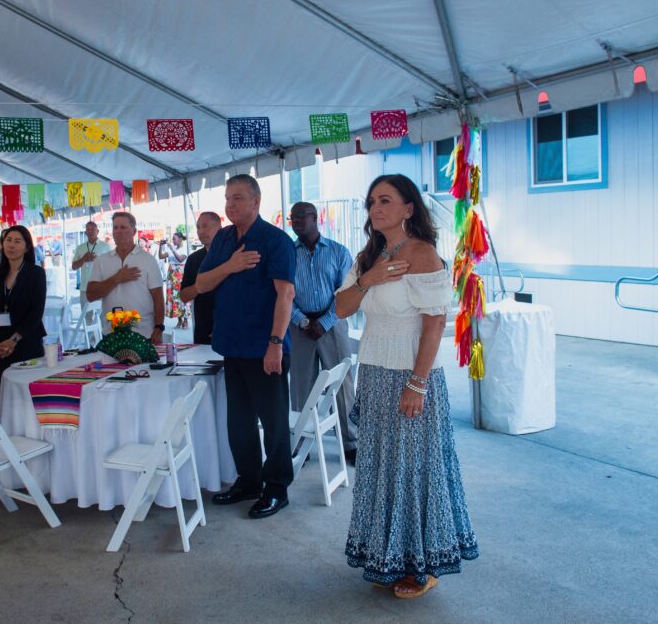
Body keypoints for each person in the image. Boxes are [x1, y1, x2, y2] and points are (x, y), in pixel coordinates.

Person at [334, 174, 478, 599]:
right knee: (381, 470)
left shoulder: (423, 254)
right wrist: (369, 279)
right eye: (371, 202)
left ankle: (422, 564)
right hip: (375, 375)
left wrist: (417, 384)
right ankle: (387, 556)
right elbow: (341, 308)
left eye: (385, 200)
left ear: (408, 208)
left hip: (411, 377)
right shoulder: (369, 257)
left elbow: (435, 325)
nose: (375, 209)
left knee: (414, 471)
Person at [192, 175, 296, 519]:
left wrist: (276, 344)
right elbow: (202, 284)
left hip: (265, 346)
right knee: (239, 422)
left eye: (238, 198)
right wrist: (231, 265)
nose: (230, 205)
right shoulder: (223, 239)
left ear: (256, 201)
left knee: (274, 421)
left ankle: (277, 488)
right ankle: (249, 481)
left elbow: (286, 294)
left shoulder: (275, 240)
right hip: (231, 345)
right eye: (227, 199)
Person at [287, 201, 358, 463]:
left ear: (315, 218)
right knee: (301, 388)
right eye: (292, 219)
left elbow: (346, 293)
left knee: (342, 386)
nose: (296, 222)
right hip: (300, 327)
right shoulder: (288, 253)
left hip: (333, 325)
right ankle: (300, 443)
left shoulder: (339, 252)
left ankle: (351, 442)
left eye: (301, 217)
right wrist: (304, 322)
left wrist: (325, 322)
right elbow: (283, 293)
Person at [0, 226, 47, 415]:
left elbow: (36, 313)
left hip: (26, 342)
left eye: (17, 241)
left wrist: (14, 340)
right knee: (0, 397)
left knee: (27, 398)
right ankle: (1, 441)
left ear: (27, 247)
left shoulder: (35, 273)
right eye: (8, 240)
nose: (11, 245)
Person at [86, 212, 165, 344]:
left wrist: (159, 328)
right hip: (111, 334)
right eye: (115, 228)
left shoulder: (148, 260)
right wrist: (117, 278)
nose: (118, 231)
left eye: (123, 227)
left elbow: (158, 297)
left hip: (143, 334)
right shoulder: (102, 261)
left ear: (134, 231)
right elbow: (90, 295)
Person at [179, 212, 222, 345]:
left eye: (206, 226)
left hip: (231, 329)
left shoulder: (232, 256)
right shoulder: (193, 259)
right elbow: (184, 296)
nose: (201, 231)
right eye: (198, 227)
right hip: (203, 329)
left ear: (220, 229)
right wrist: (199, 286)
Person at [70, 221, 112, 304]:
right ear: (85, 232)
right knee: (86, 316)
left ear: (98, 231)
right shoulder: (80, 248)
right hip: (85, 288)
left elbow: (111, 267)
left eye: (93, 229)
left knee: (102, 315)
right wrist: (83, 259)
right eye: (88, 229)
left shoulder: (106, 247)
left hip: (101, 287)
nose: (91, 231)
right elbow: (74, 267)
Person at [159, 232, 189, 329]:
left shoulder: (184, 249)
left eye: (174, 238)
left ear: (180, 239)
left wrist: (172, 249)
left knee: (182, 297)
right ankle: (179, 320)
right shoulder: (172, 249)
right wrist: (161, 246)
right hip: (172, 276)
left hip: (180, 276)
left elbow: (180, 259)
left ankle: (186, 321)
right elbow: (161, 256)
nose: (173, 241)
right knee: (174, 298)